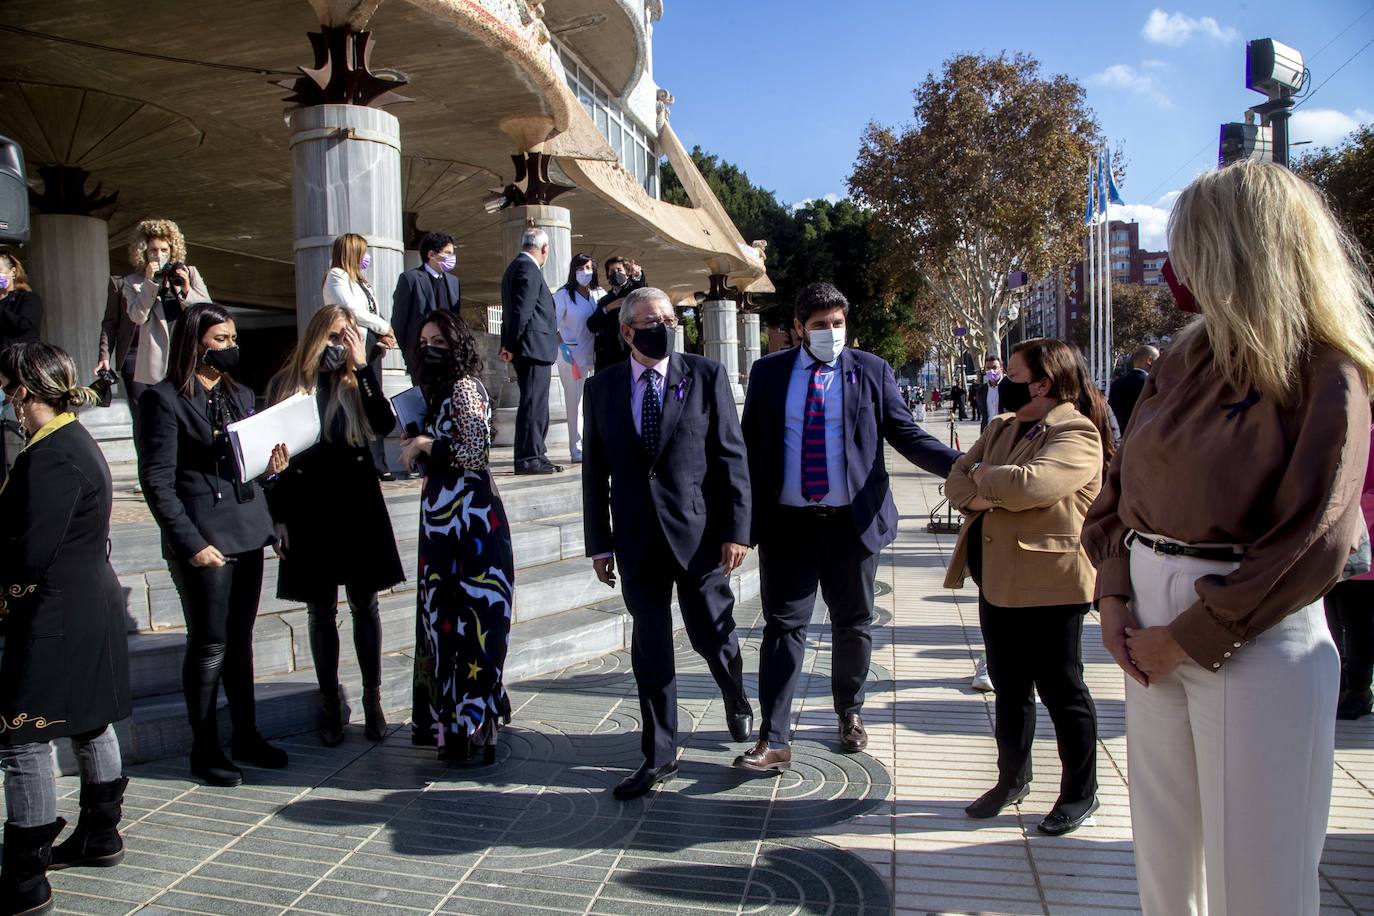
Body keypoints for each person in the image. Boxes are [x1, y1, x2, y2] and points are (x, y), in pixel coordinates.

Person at [1082, 161, 1374, 915]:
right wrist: (1114, 594)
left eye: (1190, 246)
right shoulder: (1182, 356)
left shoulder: (1325, 370)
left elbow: (1315, 536)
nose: (1177, 269)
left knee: (1260, 878)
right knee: (1164, 861)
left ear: (1241, 249)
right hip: (1147, 622)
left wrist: (1190, 634)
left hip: (1254, 632)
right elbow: (1123, 491)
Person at [734, 282, 959, 772]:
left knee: (852, 625)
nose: (831, 334)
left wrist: (959, 467)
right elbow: (750, 449)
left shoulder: (871, 370)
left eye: (837, 324)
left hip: (852, 526)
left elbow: (905, 433)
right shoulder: (768, 374)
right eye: (819, 326)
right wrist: (738, 522)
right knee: (782, 627)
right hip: (788, 526)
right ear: (797, 328)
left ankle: (849, 712)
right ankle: (773, 738)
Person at [582, 287, 754, 799]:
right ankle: (659, 756)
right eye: (652, 320)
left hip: (699, 539)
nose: (664, 326)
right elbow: (595, 473)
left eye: (670, 318)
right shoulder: (602, 388)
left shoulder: (705, 376)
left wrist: (737, 530)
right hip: (636, 541)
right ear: (627, 331)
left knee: (711, 635)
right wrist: (599, 543)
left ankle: (735, 693)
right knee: (651, 648)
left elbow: (731, 458)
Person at [943, 338, 1110, 836]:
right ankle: (1011, 779)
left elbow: (1029, 486)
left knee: (1063, 690)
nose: (998, 382)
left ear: (1043, 382)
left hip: (1052, 583)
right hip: (996, 577)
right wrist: (988, 480)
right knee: (1009, 686)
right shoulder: (1000, 427)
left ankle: (1080, 792)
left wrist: (985, 479)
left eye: (1009, 374)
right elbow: (955, 481)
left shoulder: (1077, 432)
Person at [0, 343, 131, 915]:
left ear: (21, 390)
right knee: (89, 719)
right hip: (86, 599)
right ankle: (100, 835)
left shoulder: (50, 453)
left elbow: (30, 553)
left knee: (23, 737)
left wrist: (4, 605)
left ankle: (25, 880)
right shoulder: (70, 439)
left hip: (55, 608)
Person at [138, 302, 290, 787]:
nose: (230, 347)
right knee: (209, 643)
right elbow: (157, 481)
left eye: (232, 338)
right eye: (220, 339)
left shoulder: (241, 392)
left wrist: (274, 474)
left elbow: (249, 467)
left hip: (246, 528)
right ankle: (205, 747)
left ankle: (246, 734)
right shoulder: (164, 400)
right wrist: (189, 543)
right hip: (204, 536)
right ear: (195, 343)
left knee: (239, 639)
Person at [265, 306, 404, 746]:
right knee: (320, 610)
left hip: (358, 504)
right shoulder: (289, 385)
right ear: (314, 338)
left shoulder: (357, 380)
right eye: (332, 336)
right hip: (309, 508)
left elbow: (384, 424)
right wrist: (279, 517)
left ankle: (372, 700)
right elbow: (273, 460)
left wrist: (362, 365)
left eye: (346, 337)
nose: (339, 345)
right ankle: (329, 704)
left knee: (366, 605)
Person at [398, 309, 514, 763]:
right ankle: (451, 726)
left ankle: (475, 723)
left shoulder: (465, 388)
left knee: (474, 621)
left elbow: (474, 451)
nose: (430, 348)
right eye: (424, 341)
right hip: (439, 521)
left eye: (439, 341)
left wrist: (427, 444)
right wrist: (416, 443)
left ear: (457, 344)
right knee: (439, 620)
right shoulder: (434, 393)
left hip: (472, 523)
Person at [100, 219, 211, 430]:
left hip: (181, 355)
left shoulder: (189, 273)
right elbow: (137, 316)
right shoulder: (131, 282)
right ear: (143, 252)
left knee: (184, 414)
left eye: (163, 250)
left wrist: (186, 289)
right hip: (144, 359)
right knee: (147, 419)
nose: (158, 255)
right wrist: (150, 284)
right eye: (153, 250)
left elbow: (207, 313)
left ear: (172, 250)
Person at [322, 233, 398, 480]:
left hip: (369, 345)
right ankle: (371, 461)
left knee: (372, 397)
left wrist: (383, 335)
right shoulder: (336, 277)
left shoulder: (362, 282)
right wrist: (383, 326)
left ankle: (379, 461)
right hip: (352, 346)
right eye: (363, 252)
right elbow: (352, 311)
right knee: (357, 396)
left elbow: (371, 310)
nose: (367, 258)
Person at [499, 227, 561, 475]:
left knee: (536, 403)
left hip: (529, 347)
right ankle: (529, 457)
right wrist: (510, 345)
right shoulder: (528, 268)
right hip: (532, 348)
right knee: (534, 404)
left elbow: (512, 312)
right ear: (544, 249)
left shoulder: (515, 267)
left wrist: (508, 344)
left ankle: (536, 452)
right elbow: (521, 312)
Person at [1325, 423, 1374, 720]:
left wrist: (1346, 504)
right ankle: (1341, 685)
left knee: (1357, 626)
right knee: (1333, 620)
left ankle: (1358, 690)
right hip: (1335, 550)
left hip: (1361, 553)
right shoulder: (1354, 430)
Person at [391, 231, 460, 383]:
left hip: (449, 354)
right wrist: (409, 352)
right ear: (431, 254)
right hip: (421, 355)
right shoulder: (410, 279)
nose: (452, 258)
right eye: (447, 253)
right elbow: (399, 321)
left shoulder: (453, 282)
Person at [554, 253, 601, 463]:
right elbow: (553, 326)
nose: (585, 272)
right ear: (573, 271)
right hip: (572, 355)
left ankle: (594, 444)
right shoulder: (563, 295)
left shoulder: (599, 294)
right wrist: (565, 351)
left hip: (595, 354)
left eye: (589, 268)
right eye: (581, 268)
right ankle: (576, 448)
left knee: (594, 402)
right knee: (575, 403)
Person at [0, 252, 41, 478]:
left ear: (12, 271)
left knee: (22, 425)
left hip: (20, 372)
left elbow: (24, 325)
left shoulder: (27, 299)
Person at [586, 256, 646, 372]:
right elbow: (592, 325)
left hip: (631, 354)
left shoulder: (633, 292)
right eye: (612, 271)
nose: (615, 274)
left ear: (627, 273)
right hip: (608, 357)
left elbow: (641, 289)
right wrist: (607, 309)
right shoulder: (605, 300)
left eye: (619, 270)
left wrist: (638, 276)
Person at [1106, 344, 1158, 436]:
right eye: (1158, 360)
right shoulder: (1151, 384)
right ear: (1149, 360)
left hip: (1121, 438)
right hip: (1145, 437)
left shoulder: (1117, 384)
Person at [975, 355, 1030, 432]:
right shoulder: (981, 390)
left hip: (1007, 431)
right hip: (987, 432)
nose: (991, 370)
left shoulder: (1011, 386)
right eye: (988, 368)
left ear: (1001, 368)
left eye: (994, 367)